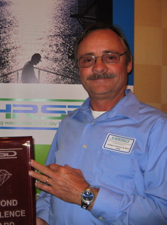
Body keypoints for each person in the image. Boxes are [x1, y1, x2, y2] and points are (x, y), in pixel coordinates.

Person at [29, 22, 167, 224]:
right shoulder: (68, 123)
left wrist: (87, 196)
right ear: (79, 70)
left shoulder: (157, 127)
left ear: (128, 64)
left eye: (110, 57)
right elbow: (50, 191)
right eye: (87, 59)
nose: (98, 67)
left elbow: (162, 213)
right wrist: (41, 218)